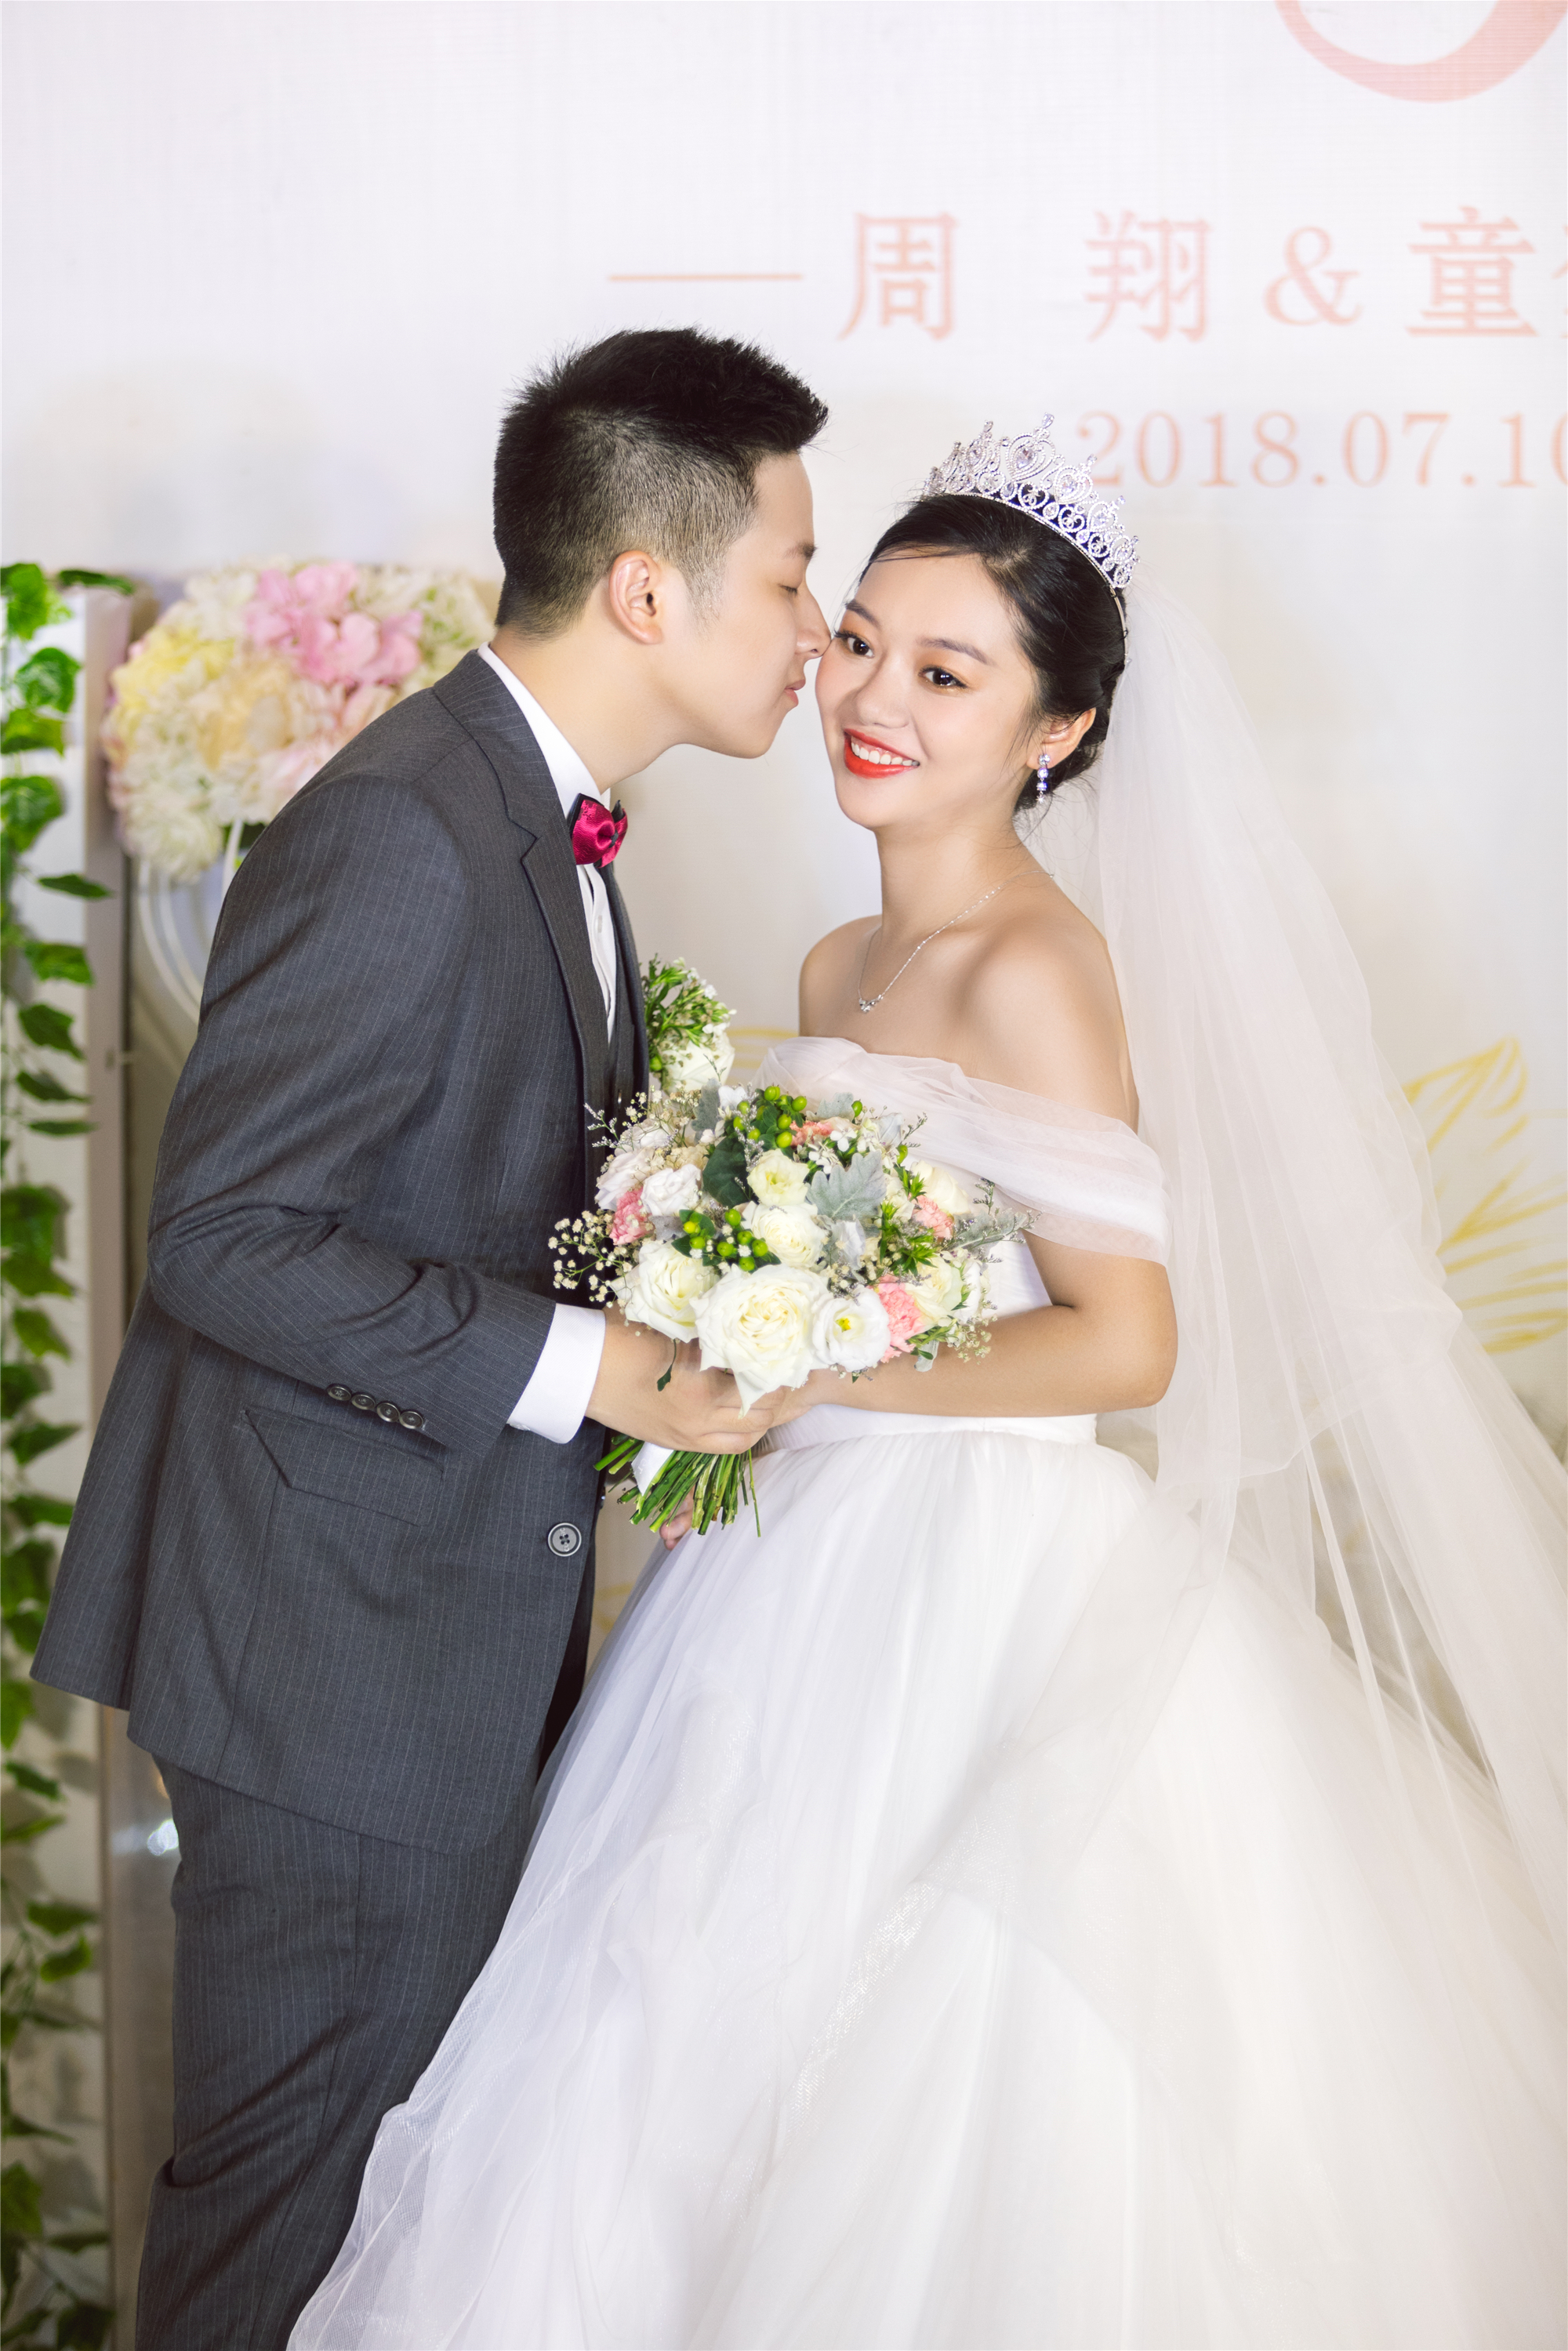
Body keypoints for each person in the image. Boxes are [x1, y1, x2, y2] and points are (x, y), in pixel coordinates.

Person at [293, 415, 1567, 2351]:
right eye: (861, 640)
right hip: (794, 1566)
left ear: (1059, 731)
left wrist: (802, 1362)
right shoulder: (842, 961)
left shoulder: (1035, 966)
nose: (872, 698)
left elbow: (1123, 1341)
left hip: (976, 1569)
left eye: (948, 675)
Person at [31, 326, 830, 2350]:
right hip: (334, 1676)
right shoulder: (411, 823)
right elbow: (224, 1236)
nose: (815, 631)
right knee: (289, 2226)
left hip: (409, 1643)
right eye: (793, 574)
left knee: (383, 2226)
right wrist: (601, 1368)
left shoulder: (533, 815)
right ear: (646, 588)